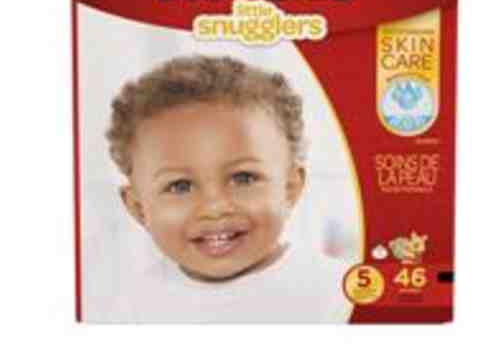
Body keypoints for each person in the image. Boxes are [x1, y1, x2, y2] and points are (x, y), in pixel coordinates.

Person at [96, 55, 351, 322]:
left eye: (243, 178)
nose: (215, 207)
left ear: (290, 187)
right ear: (138, 208)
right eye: (180, 186)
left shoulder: (338, 293)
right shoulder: (130, 309)